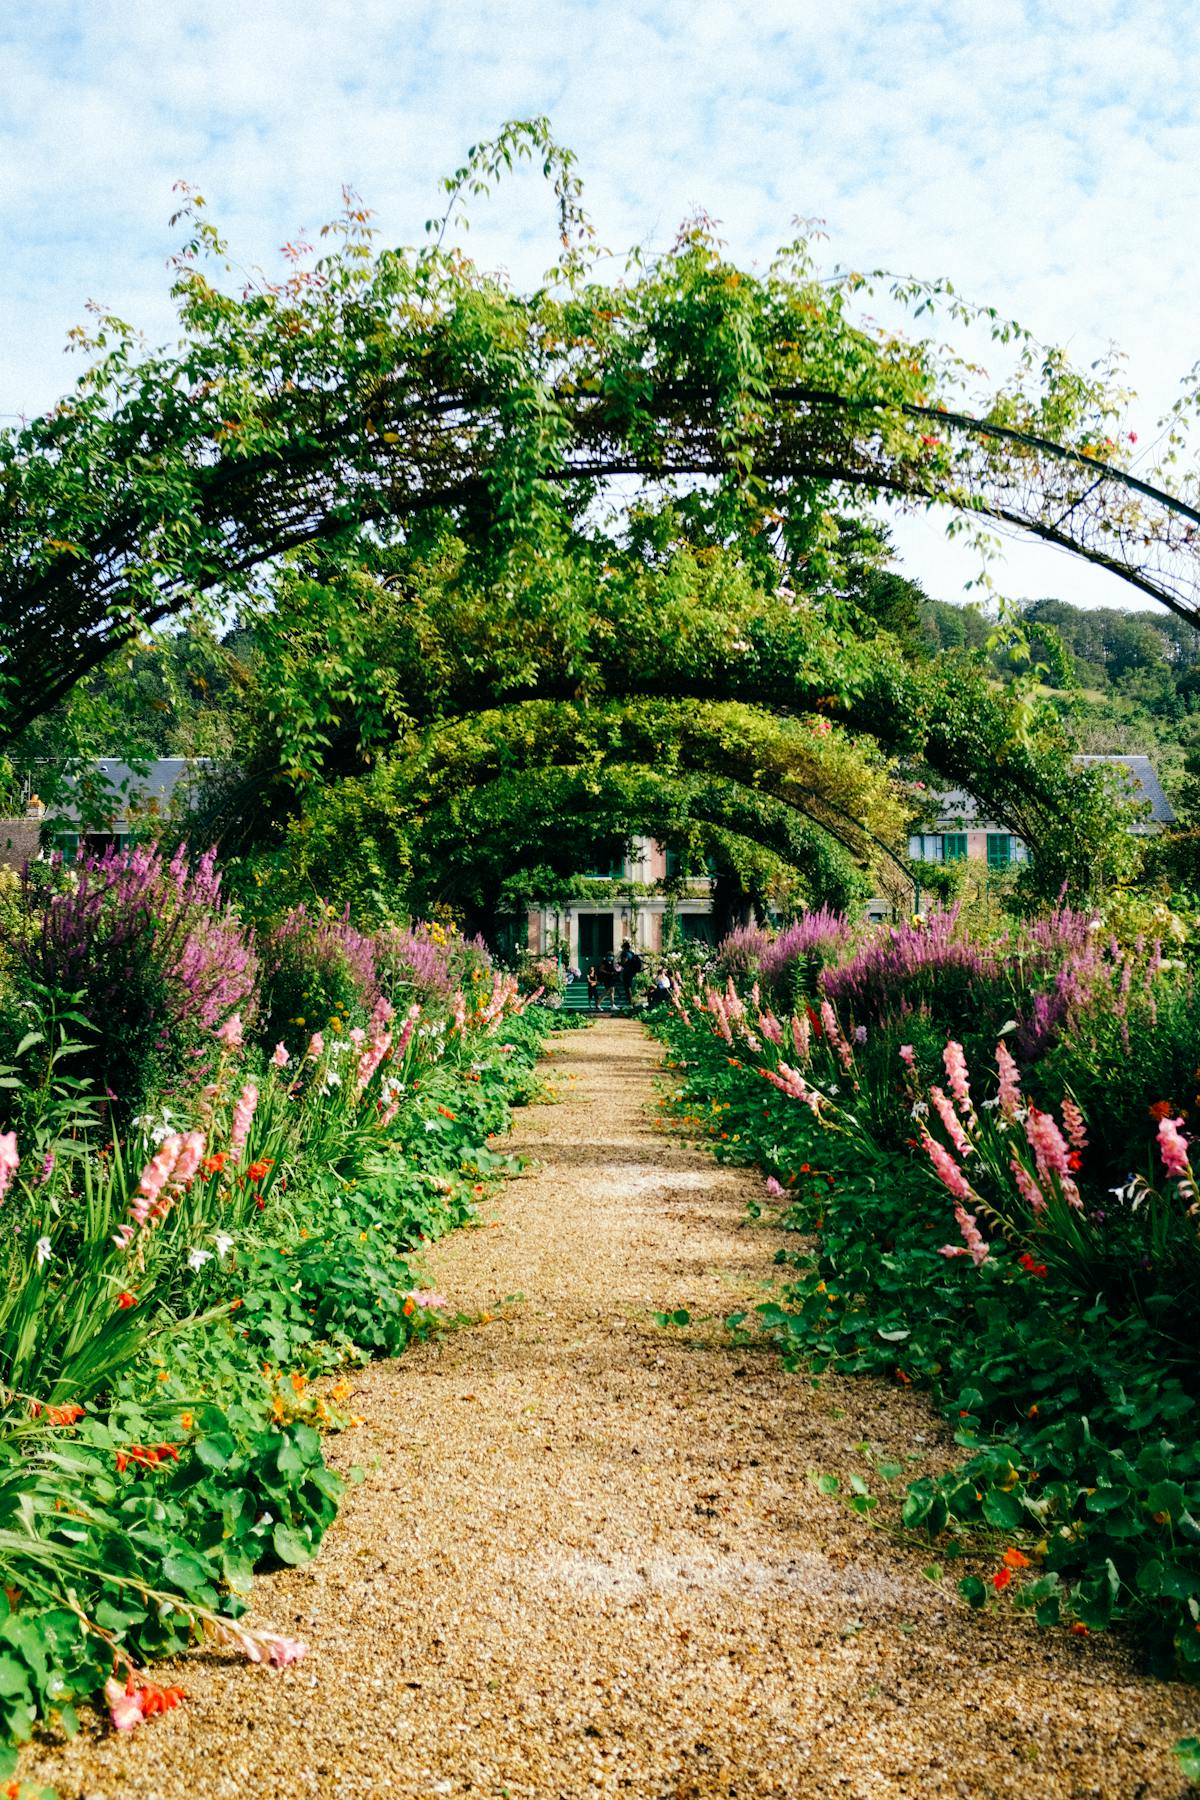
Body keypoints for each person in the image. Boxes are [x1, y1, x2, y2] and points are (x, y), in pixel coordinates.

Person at [618, 939, 643, 1007]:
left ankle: (630, 1002)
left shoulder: (625, 953)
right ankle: (631, 1002)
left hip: (628, 972)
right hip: (632, 972)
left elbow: (624, 961)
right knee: (629, 987)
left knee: (627, 987)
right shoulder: (631, 953)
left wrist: (619, 963)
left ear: (624, 947)